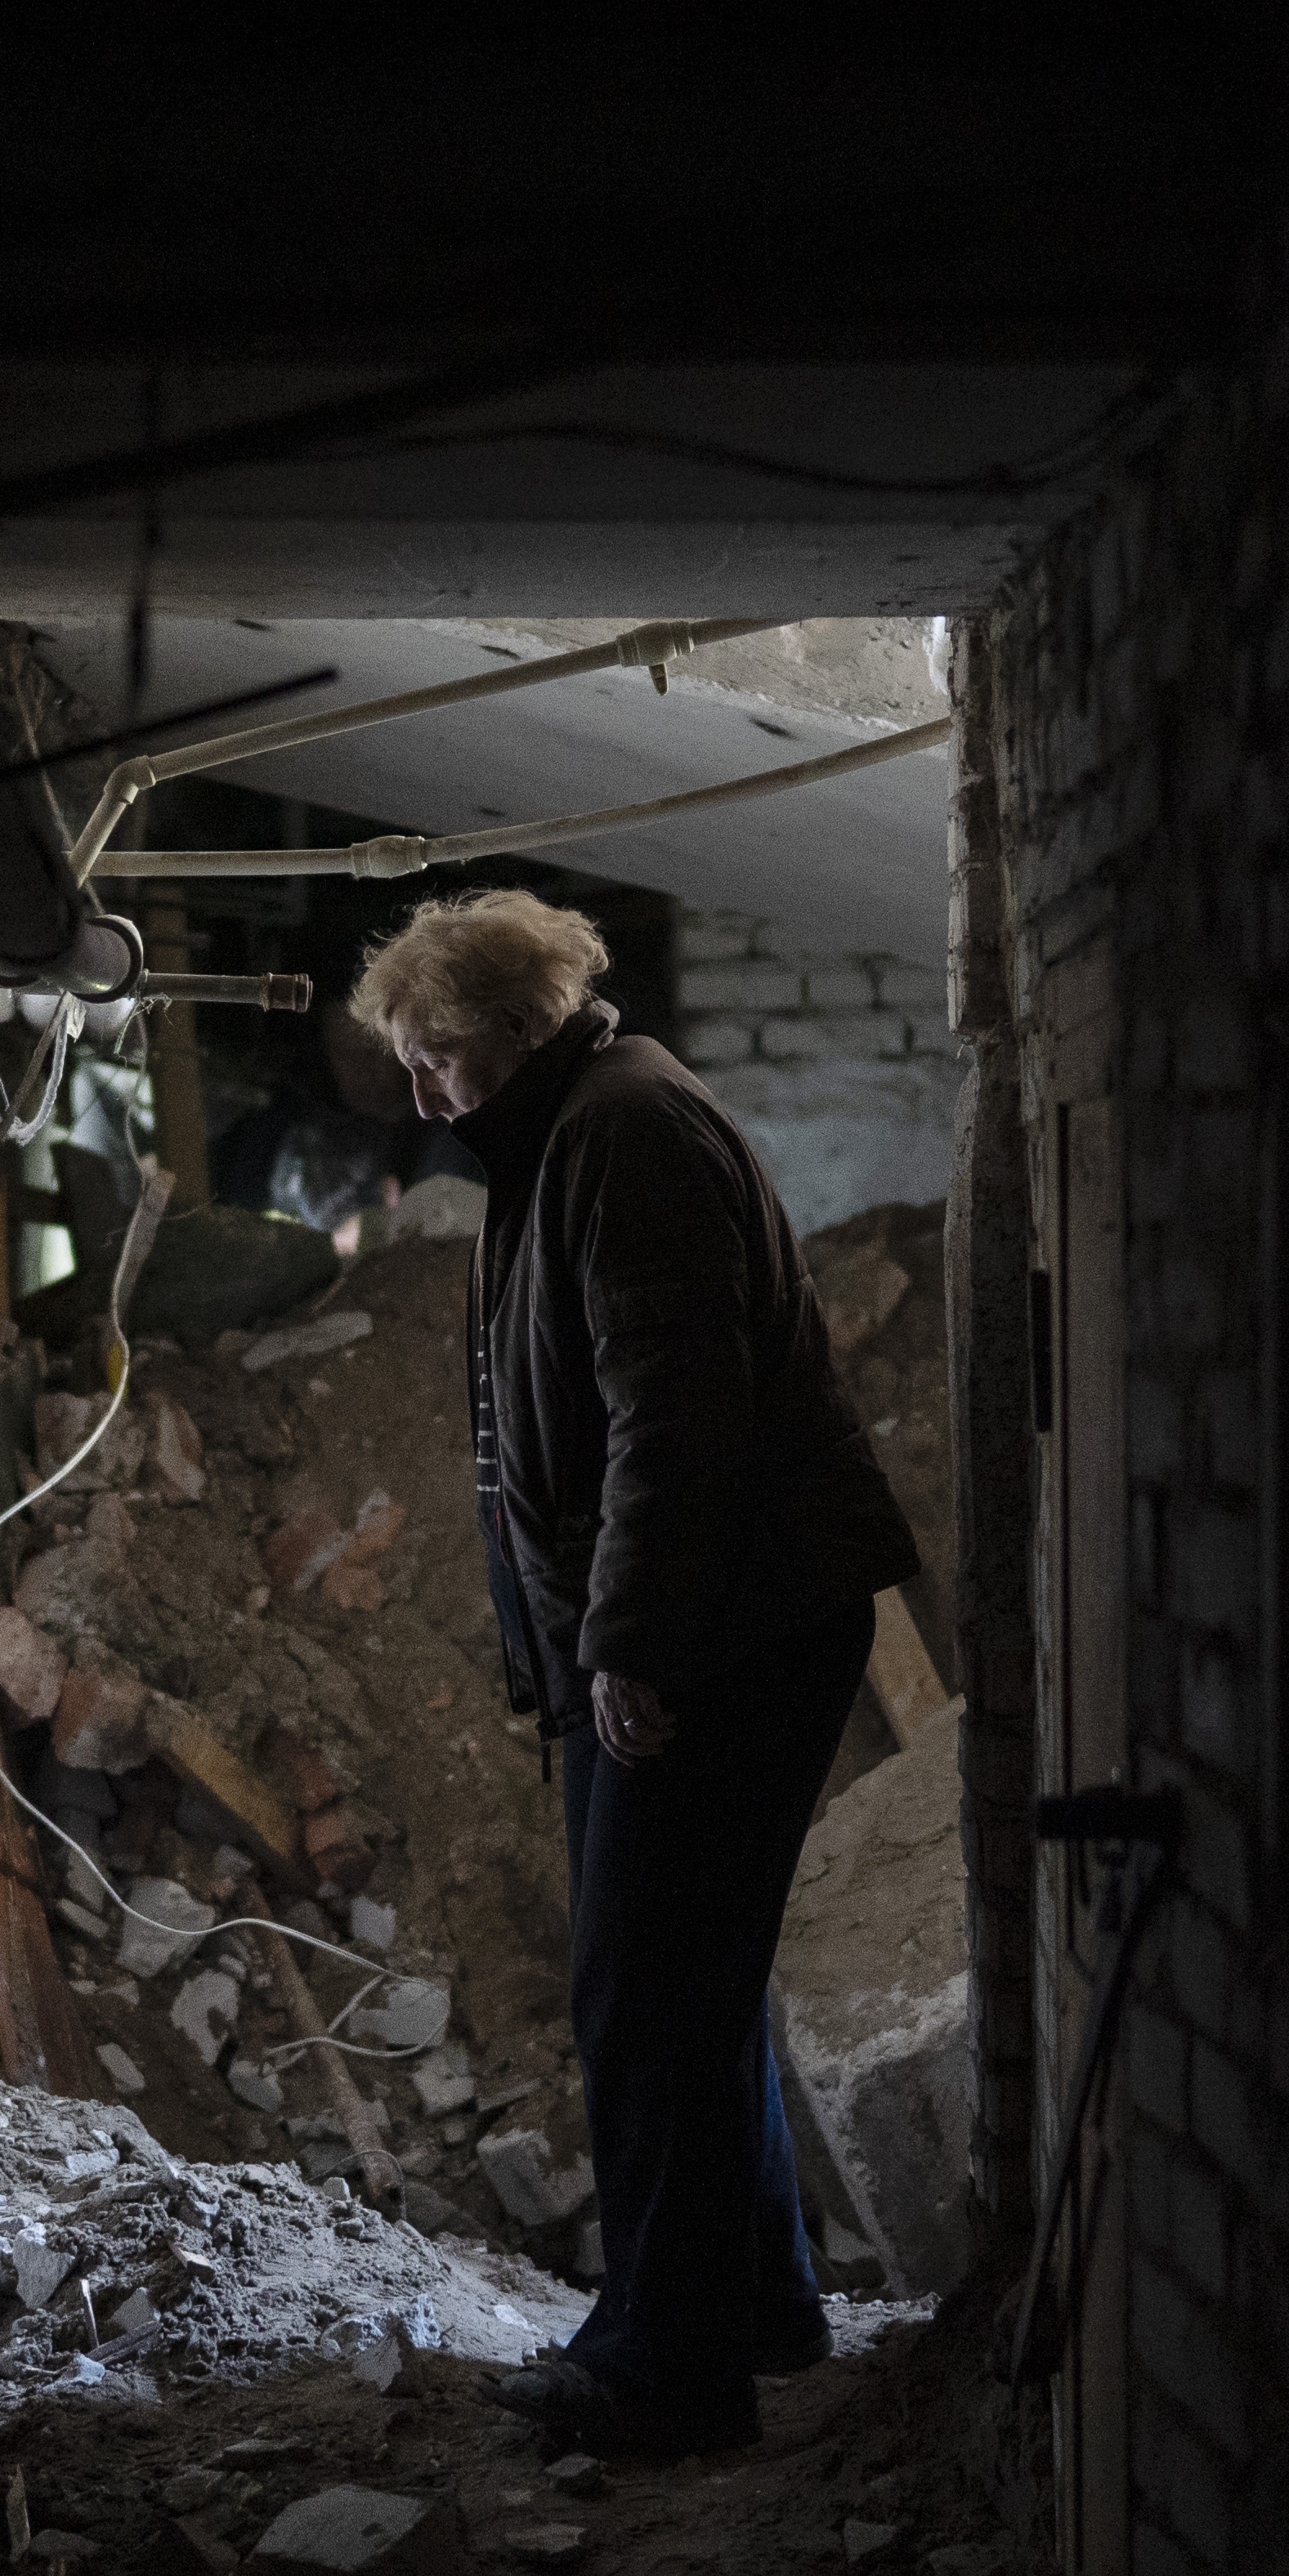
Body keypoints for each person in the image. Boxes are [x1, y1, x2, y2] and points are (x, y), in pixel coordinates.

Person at [350, 889, 921, 2457]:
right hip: (720, 1619)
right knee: (686, 1977)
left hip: (725, 1629)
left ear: (525, 1029)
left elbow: (676, 1414)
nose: (423, 1098)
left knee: (642, 1989)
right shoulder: (581, 1129)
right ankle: (752, 2305)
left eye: (439, 1060)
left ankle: (669, 2369)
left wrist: (629, 1646)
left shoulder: (626, 1138)